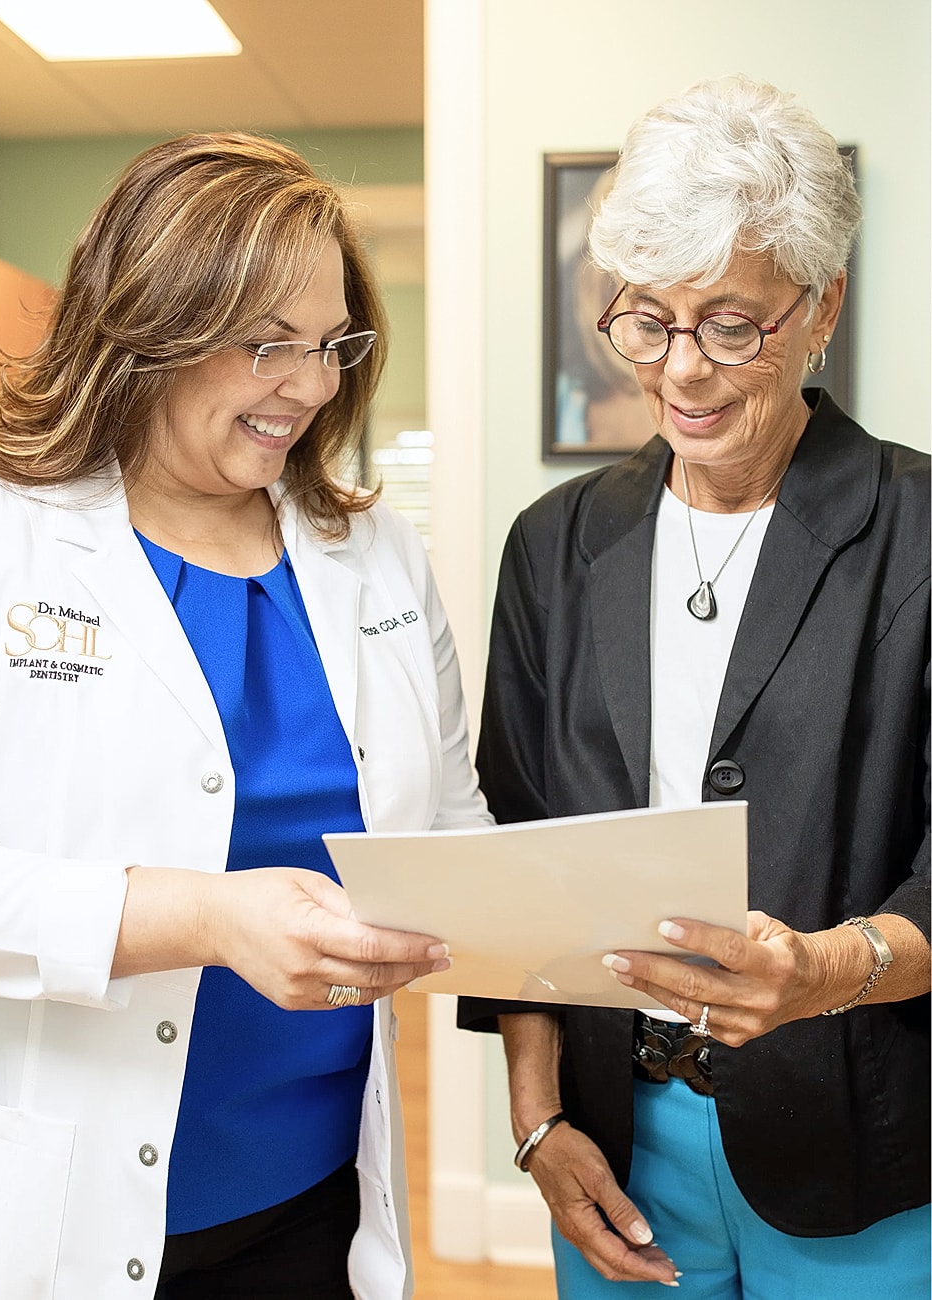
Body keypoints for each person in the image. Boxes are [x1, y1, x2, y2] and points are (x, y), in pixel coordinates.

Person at [0, 132, 490, 1300]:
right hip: (55, 1214)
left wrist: (601, 914)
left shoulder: (377, 554)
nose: (310, 384)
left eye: (331, 343)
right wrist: (205, 917)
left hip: (317, 1203)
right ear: (149, 330)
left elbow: (448, 823)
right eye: (267, 345)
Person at [459, 76, 930, 1298]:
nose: (683, 373)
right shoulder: (555, 546)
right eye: (647, 320)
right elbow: (515, 850)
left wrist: (824, 969)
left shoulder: (921, 532)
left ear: (821, 306)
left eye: (732, 324)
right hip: (616, 1142)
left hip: (860, 1146)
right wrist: (536, 1121)